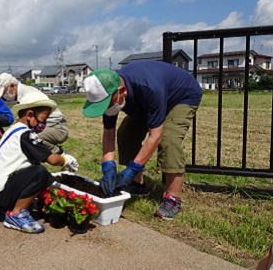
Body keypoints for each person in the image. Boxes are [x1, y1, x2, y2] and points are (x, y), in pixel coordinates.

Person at [82, 61, 202, 220]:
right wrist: (108, 165)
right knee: (126, 133)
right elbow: (108, 133)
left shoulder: (148, 88)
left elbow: (155, 136)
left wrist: (132, 168)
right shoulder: (109, 94)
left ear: (122, 91)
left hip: (181, 96)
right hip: (148, 100)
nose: (105, 109)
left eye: (107, 104)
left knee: (169, 140)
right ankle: (138, 185)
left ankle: (173, 199)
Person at [0, 91, 78, 233]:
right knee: (40, 173)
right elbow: (52, 160)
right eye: (43, 119)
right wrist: (65, 159)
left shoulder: (14, 130)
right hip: (0, 197)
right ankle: (16, 214)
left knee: (35, 168)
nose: (44, 124)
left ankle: (16, 205)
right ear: (29, 115)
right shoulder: (25, 135)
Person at [0, 73, 69, 154]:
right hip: (43, 126)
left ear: (12, 86)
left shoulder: (29, 95)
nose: (4, 96)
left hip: (57, 127)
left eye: (4, 92)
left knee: (31, 140)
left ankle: (60, 154)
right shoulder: (22, 95)